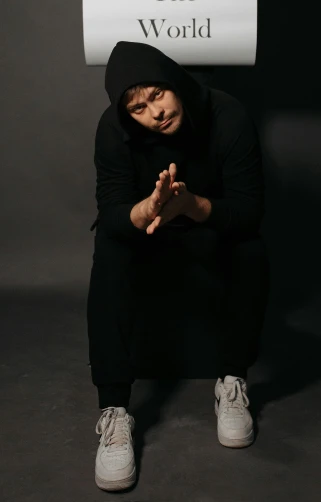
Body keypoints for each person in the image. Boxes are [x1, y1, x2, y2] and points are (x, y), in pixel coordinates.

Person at [88, 40, 270, 491]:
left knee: (250, 249)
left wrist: (190, 205)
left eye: (156, 95)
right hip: (147, 232)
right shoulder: (112, 132)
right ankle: (114, 413)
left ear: (173, 82)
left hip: (205, 225)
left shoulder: (228, 117)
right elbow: (111, 213)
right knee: (109, 250)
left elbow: (249, 212)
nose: (154, 112)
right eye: (137, 107)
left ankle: (231, 382)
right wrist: (148, 208)